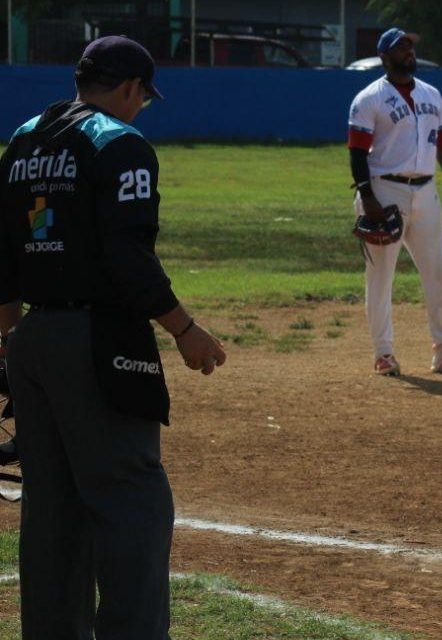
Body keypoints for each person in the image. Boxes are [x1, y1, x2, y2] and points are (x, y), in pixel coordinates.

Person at [0, 35, 226, 638]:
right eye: (142, 99)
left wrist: (10, 344)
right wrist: (184, 329)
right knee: (132, 500)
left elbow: (2, 258)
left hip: (32, 340)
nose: (140, 109)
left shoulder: (23, 140)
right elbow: (126, 254)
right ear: (130, 88)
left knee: (52, 510)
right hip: (98, 339)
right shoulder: (120, 143)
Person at [348, 27, 442, 376]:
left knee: (438, 274)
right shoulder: (369, 98)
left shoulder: (432, 94)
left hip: (426, 192)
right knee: (380, 276)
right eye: (400, 47)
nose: (408, 52)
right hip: (384, 192)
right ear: (385, 57)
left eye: (410, 46)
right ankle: (383, 352)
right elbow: (357, 153)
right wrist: (366, 195)